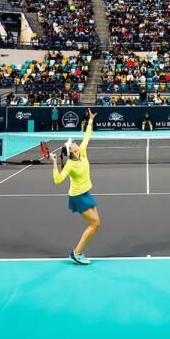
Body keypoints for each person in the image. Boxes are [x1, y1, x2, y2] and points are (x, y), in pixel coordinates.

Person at [52, 109, 99, 265]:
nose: (74, 143)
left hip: (86, 193)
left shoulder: (82, 152)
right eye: (71, 144)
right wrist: (54, 163)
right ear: (70, 150)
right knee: (95, 224)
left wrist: (90, 120)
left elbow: (87, 136)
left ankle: (78, 252)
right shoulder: (70, 165)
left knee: (96, 224)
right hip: (78, 196)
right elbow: (58, 180)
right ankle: (76, 253)